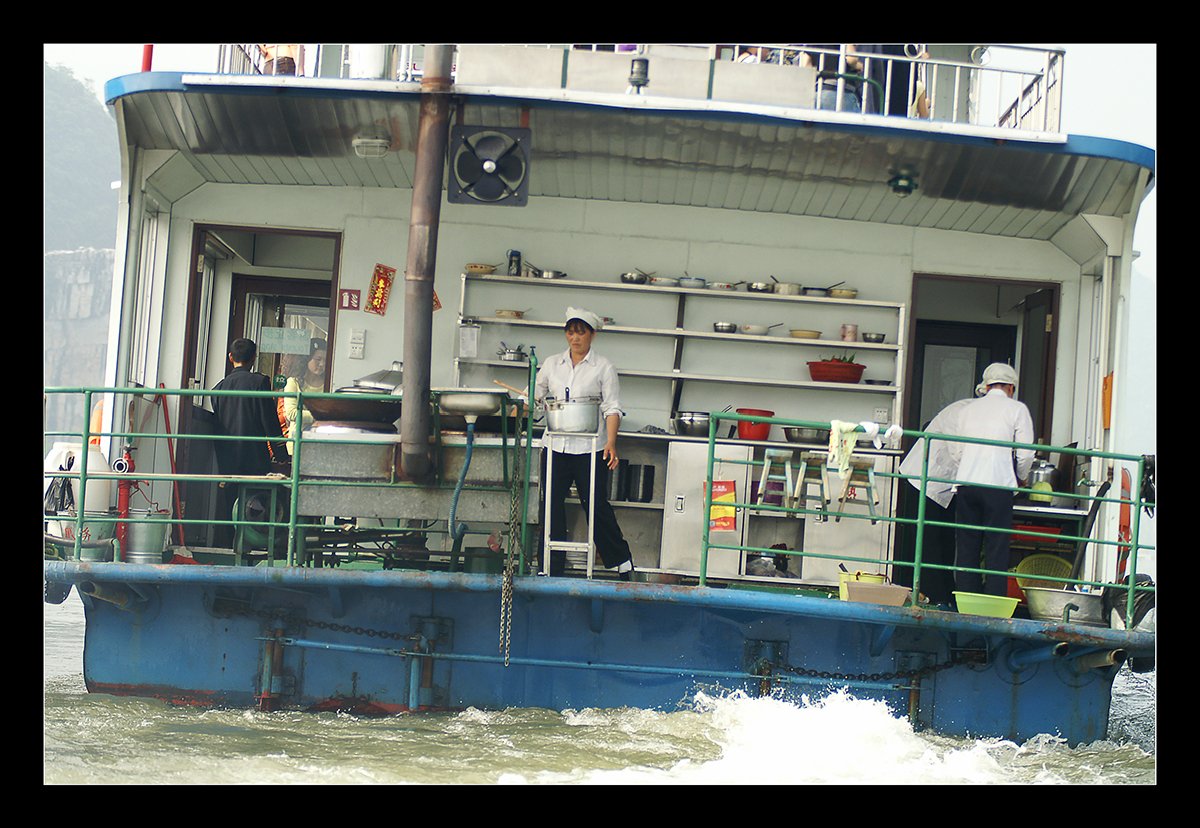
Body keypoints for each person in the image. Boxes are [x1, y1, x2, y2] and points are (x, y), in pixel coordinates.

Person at [535, 308, 635, 580]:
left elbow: (612, 408)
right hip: (555, 445)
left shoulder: (603, 367)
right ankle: (549, 566)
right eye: (570, 332)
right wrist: (526, 404)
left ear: (592, 335)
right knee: (550, 505)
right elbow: (535, 395)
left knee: (595, 504)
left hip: (590, 448)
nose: (575, 338)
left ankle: (621, 561)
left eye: (581, 332)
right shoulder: (552, 364)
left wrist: (611, 443)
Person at [950, 363, 1035, 597]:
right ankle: (992, 605)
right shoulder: (1017, 409)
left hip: (967, 484)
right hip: (998, 485)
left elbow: (956, 452)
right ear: (1011, 387)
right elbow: (1026, 454)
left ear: (986, 386)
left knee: (967, 548)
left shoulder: (967, 410)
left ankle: (966, 602)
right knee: (996, 548)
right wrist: (1021, 477)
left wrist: (967, 468)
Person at [895, 397, 973, 605]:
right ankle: (932, 595)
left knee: (945, 542)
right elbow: (959, 453)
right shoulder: (960, 412)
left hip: (945, 485)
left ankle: (944, 595)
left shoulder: (972, 413)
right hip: (922, 479)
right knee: (928, 541)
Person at [211, 338, 288, 544]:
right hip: (254, 456)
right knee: (256, 503)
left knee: (231, 503)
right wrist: (281, 454)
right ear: (254, 357)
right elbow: (270, 421)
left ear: (230, 358)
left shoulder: (218, 390)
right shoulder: (259, 383)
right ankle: (253, 544)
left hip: (227, 459)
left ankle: (230, 543)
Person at [280, 339, 328, 451]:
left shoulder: (329, 384)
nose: (322, 364)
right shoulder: (293, 382)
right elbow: (291, 413)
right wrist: (320, 415)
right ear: (307, 359)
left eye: (325, 360)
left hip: (320, 444)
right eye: (318, 359)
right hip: (297, 443)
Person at [802, 44, 862, 112]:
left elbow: (806, 65)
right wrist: (858, 66)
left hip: (819, 89)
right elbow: (852, 59)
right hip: (843, 90)